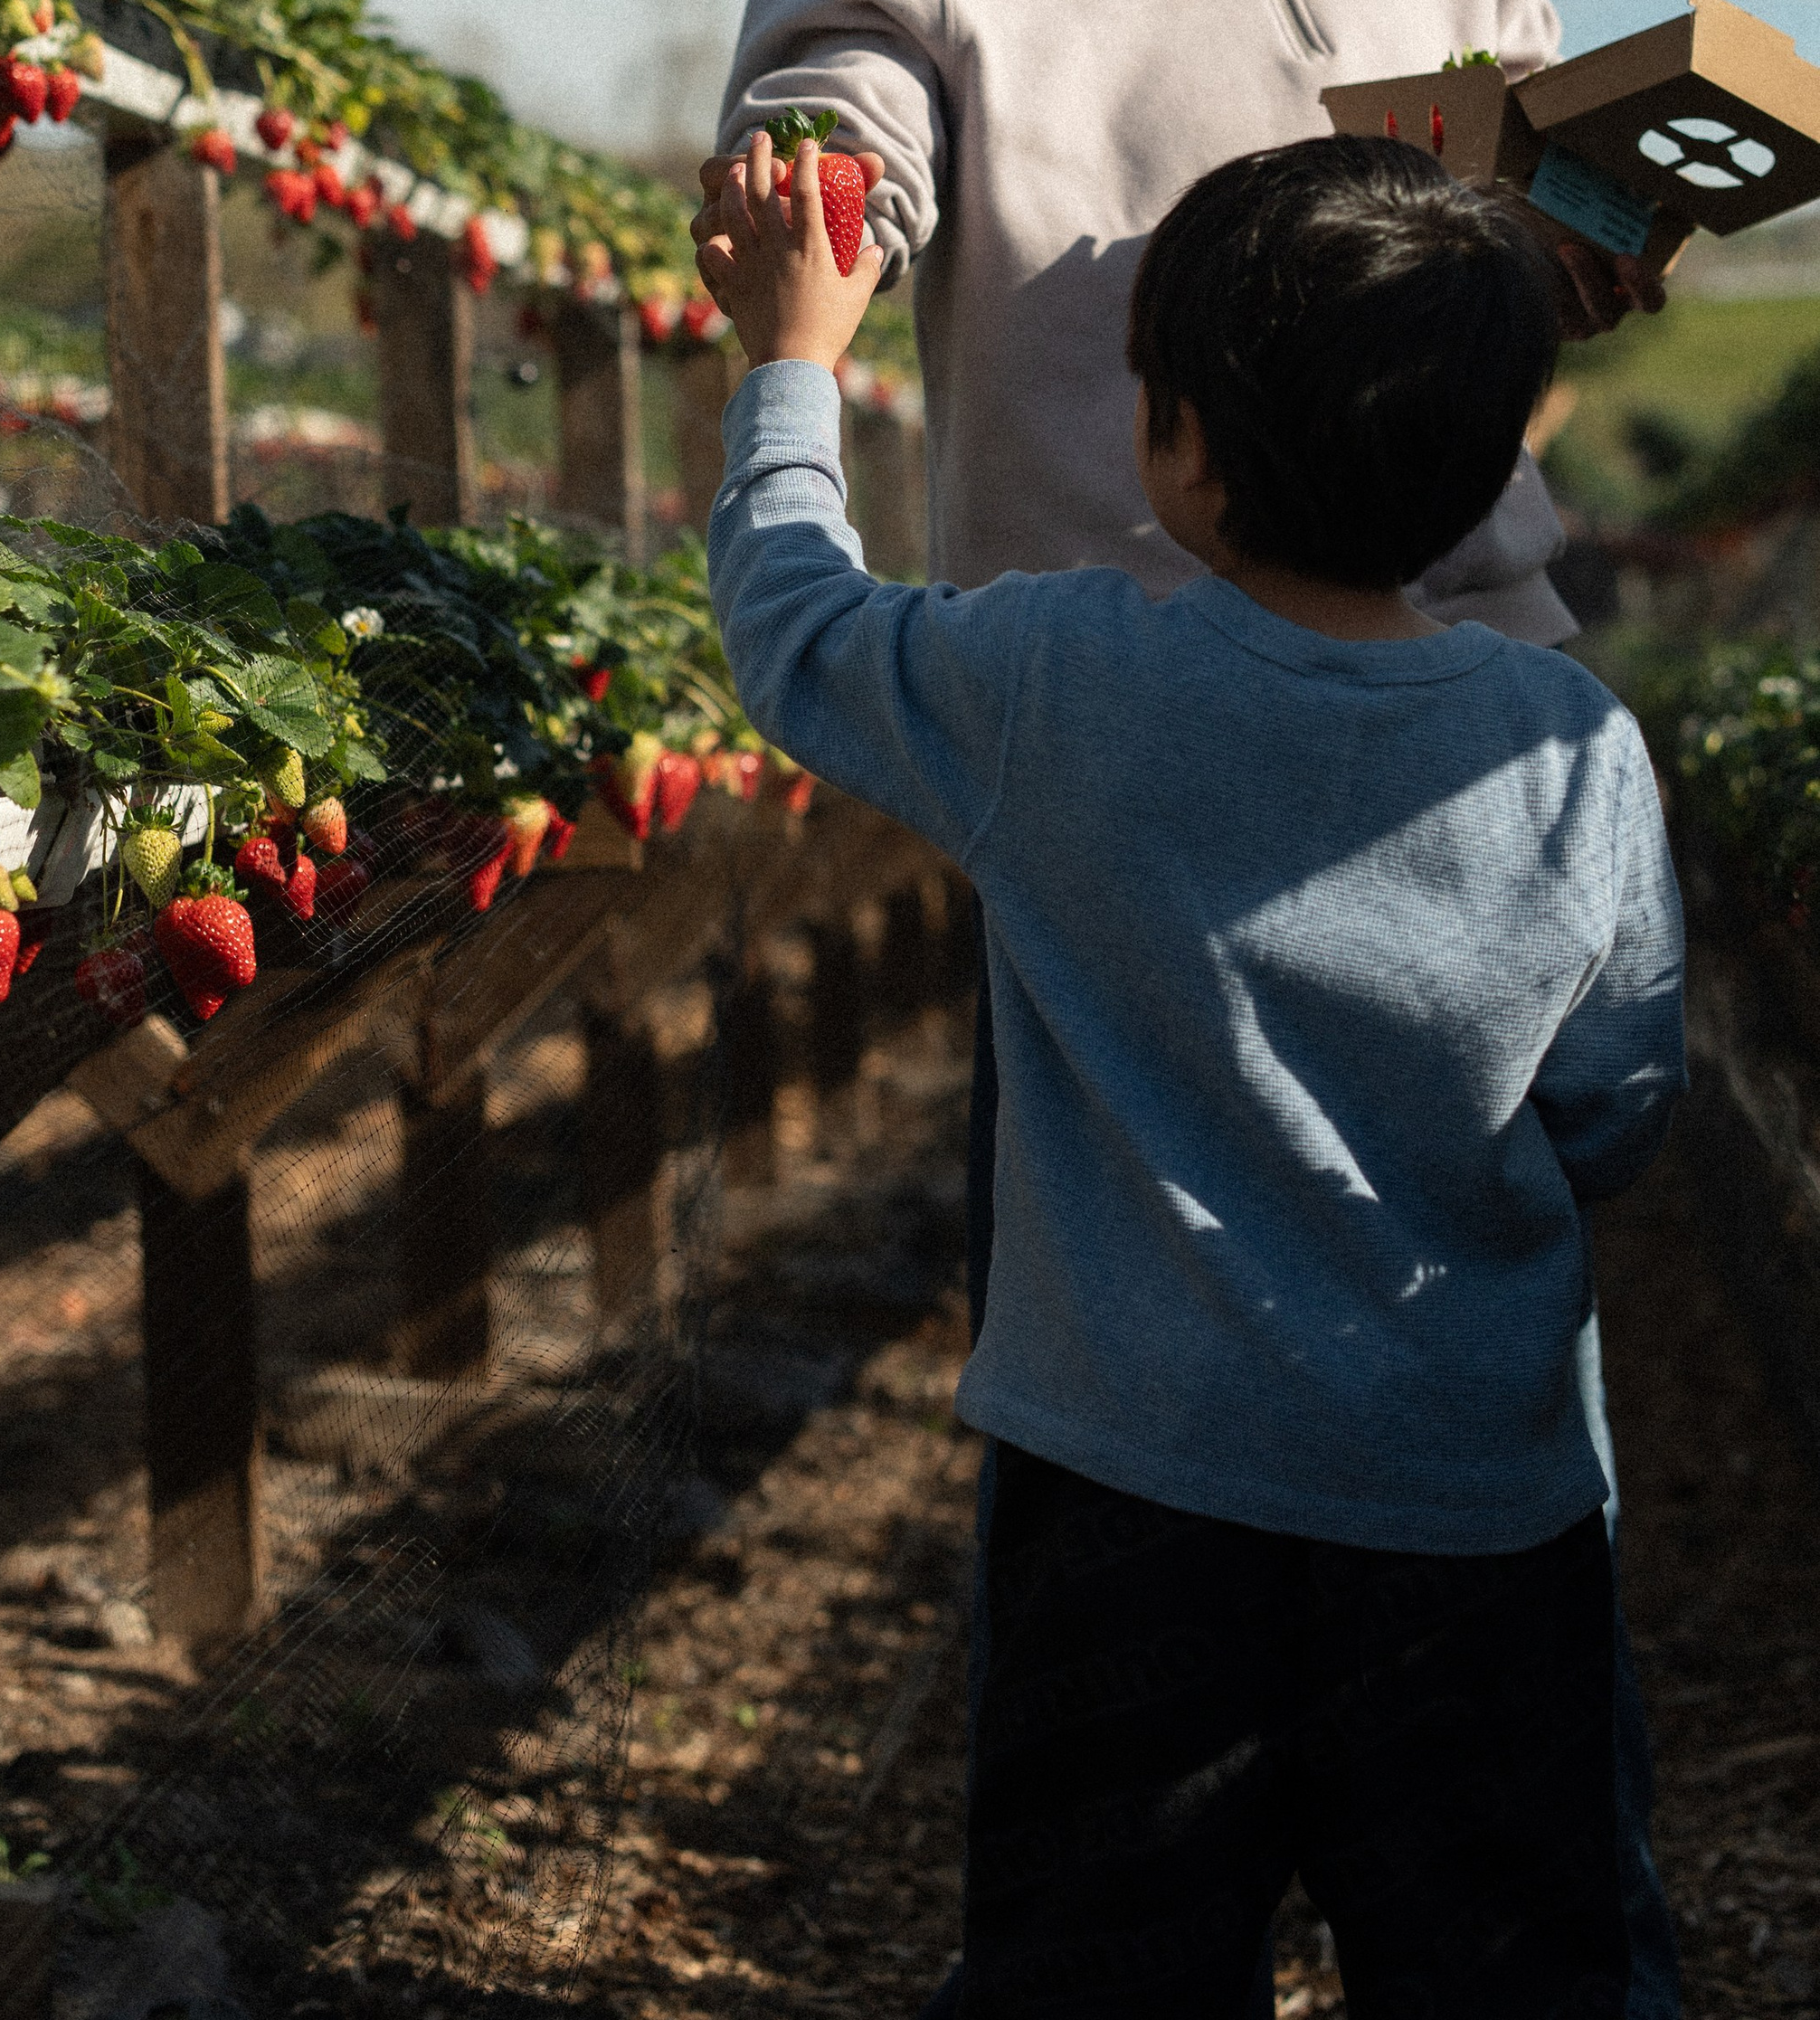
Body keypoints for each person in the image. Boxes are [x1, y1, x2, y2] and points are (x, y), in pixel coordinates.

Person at [698, 0, 1679, 2012]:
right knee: (1166, 1324)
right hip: (1122, 735)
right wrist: (837, 195)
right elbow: (843, 91)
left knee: (1337, 1415)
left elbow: (1476, 196)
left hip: (1437, 675)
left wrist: (1560, 249)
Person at [696, 125, 1684, 2020]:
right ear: (1488, 462)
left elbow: (792, 625)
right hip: (1470, 1511)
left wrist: (791, 356)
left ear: (1181, 448)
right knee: (1509, 1965)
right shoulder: (1565, 747)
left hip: (1131, 1502)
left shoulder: (1057, 683)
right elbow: (1618, 1100)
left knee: (1102, 1967)